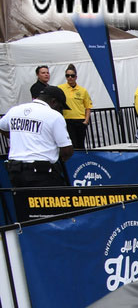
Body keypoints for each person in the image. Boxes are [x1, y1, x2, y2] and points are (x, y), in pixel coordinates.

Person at [1, 85, 72, 221]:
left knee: (25, 215)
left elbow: (2, 126)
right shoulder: (54, 116)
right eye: (60, 107)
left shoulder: (15, 110)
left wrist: (17, 136)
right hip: (42, 174)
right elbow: (67, 150)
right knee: (50, 216)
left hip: (15, 172)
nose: (61, 111)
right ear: (53, 102)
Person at [58, 64, 92, 150]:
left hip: (80, 120)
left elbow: (88, 106)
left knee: (80, 144)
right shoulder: (60, 88)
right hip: (67, 120)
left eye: (72, 76)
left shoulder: (82, 90)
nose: (70, 78)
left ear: (76, 77)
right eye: (67, 75)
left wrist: (86, 121)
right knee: (71, 144)